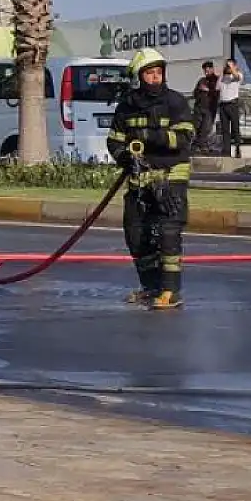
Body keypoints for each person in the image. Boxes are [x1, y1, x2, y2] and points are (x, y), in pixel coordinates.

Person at [106, 48, 197, 310]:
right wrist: (125, 157)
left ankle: (170, 291)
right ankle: (151, 288)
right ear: (138, 77)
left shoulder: (175, 102)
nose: (156, 78)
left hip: (171, 176)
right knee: (136, 234)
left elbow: (185, 138)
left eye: (159, 72)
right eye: (149, 73)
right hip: (139, 179)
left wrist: (151, 137)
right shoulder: (126, 106)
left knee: (168, 233)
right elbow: (114, 141)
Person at [217, 58, 244, 157]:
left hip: (233, 104)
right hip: (223, 105)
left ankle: (237, 148)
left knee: (235, 128)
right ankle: (226, 150)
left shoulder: (237, 75)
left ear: (235, 66)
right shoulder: (222, 77)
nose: (227, 67)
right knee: (225, 129)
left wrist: (231, 67)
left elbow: (237, 76)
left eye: (229, 66)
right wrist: (222, 72)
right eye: (227, 66)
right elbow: (217, 87)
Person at [191, 61, 219, 152]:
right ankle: (196, 145)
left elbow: (217, 94)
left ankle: (203, 146)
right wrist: (199, 90)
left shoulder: (217, 80)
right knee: (197, 127)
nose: (206, 72)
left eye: (208, 70)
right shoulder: (202, 80)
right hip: (199, 107)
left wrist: (207, 90)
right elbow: (194, 93)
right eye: (205, 71)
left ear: (212, 69)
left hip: (210, 108)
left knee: (206, 128)